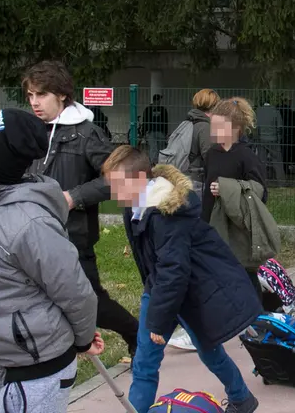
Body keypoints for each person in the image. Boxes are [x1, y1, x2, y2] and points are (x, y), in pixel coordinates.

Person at [0, 109, 104, 413]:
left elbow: (74, 290)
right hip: (2, 367)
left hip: (32, 373)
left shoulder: (28, 222)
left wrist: (84, 338)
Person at [103, 146, 261, 413]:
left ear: (140, 180)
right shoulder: (135, 205)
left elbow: (174, 270)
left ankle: (242, 398)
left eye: (118, 185)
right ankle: (242, 398)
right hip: (161, 288)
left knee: (207, 352)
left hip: (188, 292)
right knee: (145, 361)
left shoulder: (167, 214)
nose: (113, 193)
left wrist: (158, 319)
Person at [25, 60, 139, 354]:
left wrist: (74, 196)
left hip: (74, 236)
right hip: (37, 233)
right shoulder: (34, 131)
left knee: (92, 302)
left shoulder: (87, 134)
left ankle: (135, 333)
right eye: (30, 96)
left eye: (42, 95)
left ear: (61, 94)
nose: (35, 103)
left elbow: (119, 178)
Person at [203, 98, 268, 299]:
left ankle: (257, 314)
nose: (213, 131)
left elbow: (260, 192)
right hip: (212, 221)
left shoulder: (246, 156)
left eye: (218, 126)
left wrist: (227, 189)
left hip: (238, 227)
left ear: (235, 128)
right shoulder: (212, 153)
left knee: (244, 273)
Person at [186, 88, 222, 197]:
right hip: (198, 180)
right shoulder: (205, 127)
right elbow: (209, 157)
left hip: (186, 177)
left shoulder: (190, 122)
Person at [255, 96, 285, 181]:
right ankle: (281, 182)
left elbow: (256, 127)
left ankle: (262, 181)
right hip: (273, 139)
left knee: (262, 162)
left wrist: (257, 138)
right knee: (277, 161)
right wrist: (279, 139)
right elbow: (280, 127)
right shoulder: (275, 111)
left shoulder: (258, 111)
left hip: (261, 139)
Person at [141, 94, 169, 163]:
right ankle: (153, 162)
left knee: (160, 148)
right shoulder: (148, 109)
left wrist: (165, 132)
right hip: (151, 131)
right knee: (154, 148)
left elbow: (165, 121)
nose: (159, 102)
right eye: (159, 100)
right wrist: (144, 132)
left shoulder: (162, 109)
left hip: (160, 131)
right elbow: (145, 121)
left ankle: (159, 162)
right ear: (156, 100)